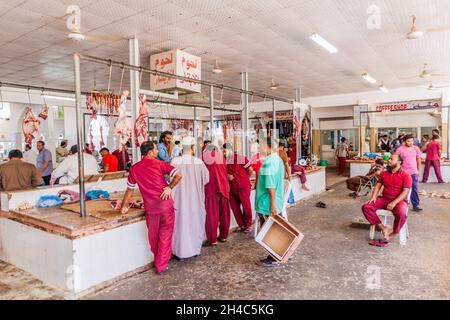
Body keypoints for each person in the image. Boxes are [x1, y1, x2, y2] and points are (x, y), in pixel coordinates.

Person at [117, 141, 182, 275]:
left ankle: (159, 261)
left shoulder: (134, 168)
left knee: (153, 237)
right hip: (165, 206)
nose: (158, 151)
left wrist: (123, 206)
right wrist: (170, 187)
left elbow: (129, 190)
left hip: (151, 209)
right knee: (165, 236)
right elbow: (179, 175)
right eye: (156, 150)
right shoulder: (160, 164)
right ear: (150, 152)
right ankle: (161, 265)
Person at [170, 137, 209, 260]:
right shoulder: (199, 162)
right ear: (193, 148)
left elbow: (169, 179)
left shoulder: (174, 162)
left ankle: (178, 252)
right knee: (195, 223)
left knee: (179, 225)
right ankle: (194, 250)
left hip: (178, 201)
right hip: (195, 201)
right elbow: (206, 179)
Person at [362, 154, 412, 241]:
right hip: (384, 199)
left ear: (399, 162)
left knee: (402, 213)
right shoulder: (384, 173)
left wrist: (394, 202)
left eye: (391, 159)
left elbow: (405, 192)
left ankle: (394, 232)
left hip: (399, 201)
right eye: (389, 158)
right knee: (366, 207)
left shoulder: (406, 175)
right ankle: (383, 228)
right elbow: (377, 186)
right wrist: (373, 197)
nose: (388, 160)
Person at [255, 138, 285, 268]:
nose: (259, 149)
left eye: (260, 146)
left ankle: (273, 257)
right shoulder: (277, 159)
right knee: (274, 229)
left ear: (266, 146)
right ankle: (279, 253)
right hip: (273, 201)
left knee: (268, 230)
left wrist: (272, 204)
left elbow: (270, 185)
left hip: (267, 203)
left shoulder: (268, 162)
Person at [203, 144, 231, 246]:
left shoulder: (205, 157)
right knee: (224, 214)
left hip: (212, 188)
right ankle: (223, 236)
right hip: (223, 188)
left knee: (212, 215)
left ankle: (212, 239)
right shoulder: (221, 158)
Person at [223, 143, 254, 233]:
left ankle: (248, 225)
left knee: (246, 206)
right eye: (223, 151)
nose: (224, 153)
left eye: (225, 151)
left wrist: (244, 178)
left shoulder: (240, 158)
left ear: (231, 150)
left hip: (243, 186)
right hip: (232, 188)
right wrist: (227, 176)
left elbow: (250, 169)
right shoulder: (224, 160)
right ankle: (241, 225)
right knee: (234, 207)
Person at [395, 135, 422, 212]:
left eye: (412, 141)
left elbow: (418, 159)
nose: (410, 143)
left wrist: (418, 170)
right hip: (403, 172)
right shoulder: (400, 149)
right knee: (401, 189)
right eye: (408, 141)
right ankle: (399, 204)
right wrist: (397, 170)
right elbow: (396, 159)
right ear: (404, 141)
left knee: (414, 188)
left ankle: (415, 205)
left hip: (413, 172)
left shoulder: (416, 148)